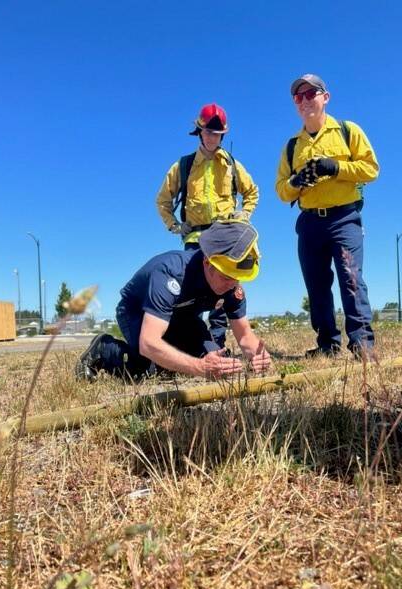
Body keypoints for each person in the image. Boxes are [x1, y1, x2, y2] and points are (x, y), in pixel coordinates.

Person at [76, 220, 271, 381]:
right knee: (144, 370)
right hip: (138, 311)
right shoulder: (171, 273)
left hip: (182, 316)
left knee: (215, 357)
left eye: (237, 278)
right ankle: (104, 348)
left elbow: (244, 334)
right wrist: (200, 368)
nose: (232, 284)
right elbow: (149, 342)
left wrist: (257, 355)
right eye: (227, 277)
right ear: (207, 263)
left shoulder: (232, 286)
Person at [275, 73, 379, 358]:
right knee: (316, 284)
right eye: (299, 96)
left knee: (351, 278)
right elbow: (281, 190)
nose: (305, 100)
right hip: (309, 222)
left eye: (311, 93)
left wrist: (335, 167)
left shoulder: (347, 130)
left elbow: (371, 169)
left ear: (325, 97)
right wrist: (297, 183)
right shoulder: (291, 146)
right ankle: (327, 345)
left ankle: (362, 344)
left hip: (344, 218)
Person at [156, 103, 259, 348]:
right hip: (195, 239)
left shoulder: (232, 165)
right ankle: (192, 342)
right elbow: (163, 200)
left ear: (222, 135)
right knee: (191, 293)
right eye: (208, 132)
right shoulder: (183, 166)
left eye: (217, 133)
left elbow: (252, 192)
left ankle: (218, 343)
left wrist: (244, 213)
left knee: (224, 289)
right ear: (199, 132)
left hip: (226, 237)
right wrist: (174, 225)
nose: (212, 137)